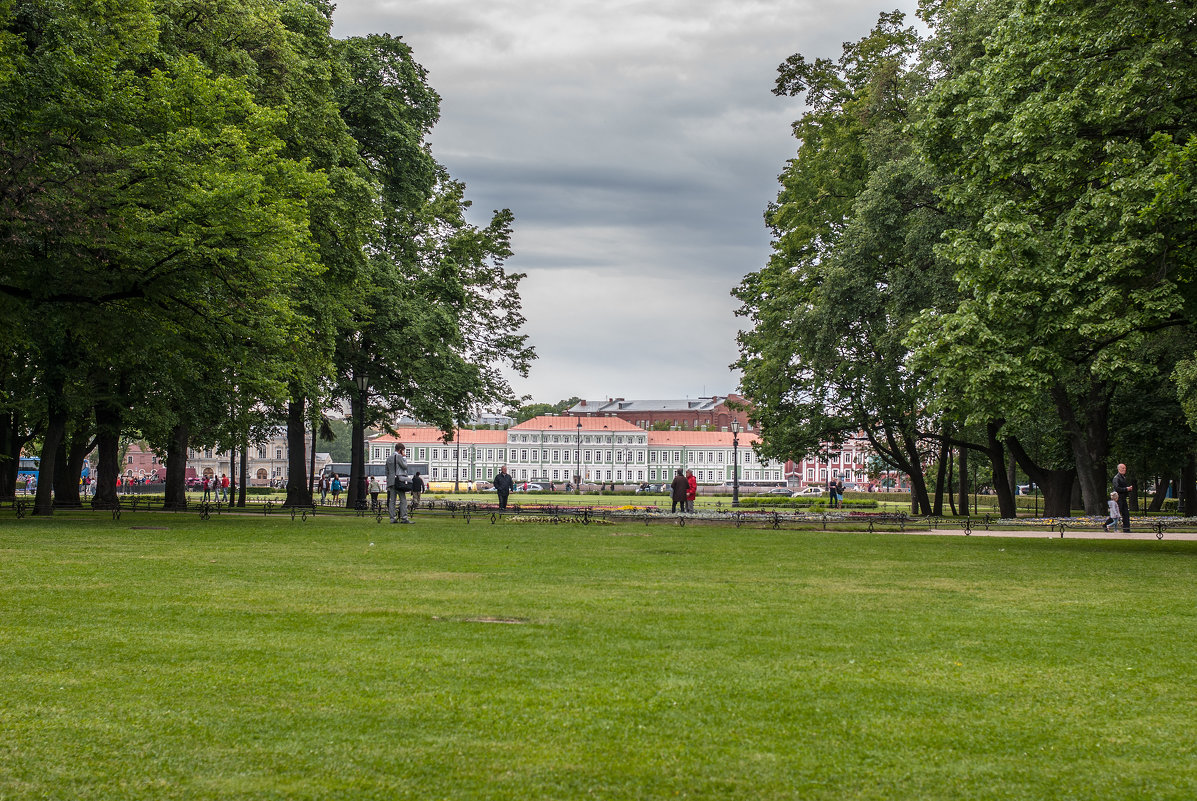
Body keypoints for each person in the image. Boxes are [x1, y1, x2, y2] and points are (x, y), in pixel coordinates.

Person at [386, 443, 413, 523]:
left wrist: (389, 479)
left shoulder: (389, 458)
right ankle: (404, 517)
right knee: (403, 500)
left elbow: (386, 471)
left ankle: (392, 518)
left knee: (392, 500)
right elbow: (405, 466)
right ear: (400, 450)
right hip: (399, 480)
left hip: (391, 481)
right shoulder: (399, 457)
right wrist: (404, 457)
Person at [1113, 463, 1134, 533]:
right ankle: (1106, 525)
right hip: (1118, 499)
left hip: (1123, 498)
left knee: (1126, 514)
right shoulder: (1116, 478)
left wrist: (1128, 489)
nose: (1124, 469)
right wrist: (1126, 489)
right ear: (1119, 469)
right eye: (1123, 468)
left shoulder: (1122, 477)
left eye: (1125, 468)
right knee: (1116, 514)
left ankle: (1126, 529)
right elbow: (1117, 488)